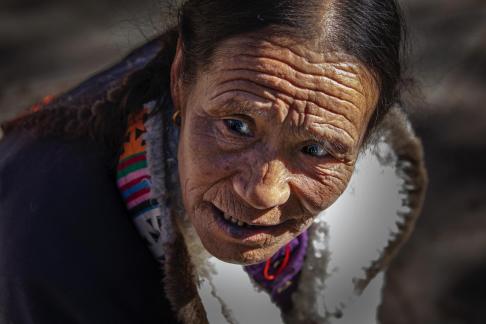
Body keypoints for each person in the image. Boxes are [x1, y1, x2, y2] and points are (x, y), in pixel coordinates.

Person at [0, 0, 427, 323]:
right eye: (237, 126)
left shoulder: (358, 141)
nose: (262, 192)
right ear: (181, 76)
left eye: (315, 150)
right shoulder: (45, 241)